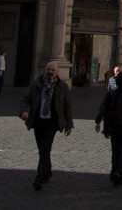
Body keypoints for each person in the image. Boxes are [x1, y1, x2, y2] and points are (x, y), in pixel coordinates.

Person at [20, 61, 74, 190]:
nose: (50, 72)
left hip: (52, 122)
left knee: (45, 148)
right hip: (38, 121)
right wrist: (24, 111)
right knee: (42, 149)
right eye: (48, 69)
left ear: (57, 72)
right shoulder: (36, 84)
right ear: (45, 70)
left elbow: (67, 106)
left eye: (52, 70)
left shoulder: (62, 87)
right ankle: (48, 171)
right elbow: (25, 99)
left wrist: (68, 124)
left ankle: (39, 178)